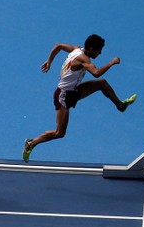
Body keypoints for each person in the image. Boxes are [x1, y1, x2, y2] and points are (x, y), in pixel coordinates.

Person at [22, 35, 136, 163]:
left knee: (102, 83)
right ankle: (31, 143)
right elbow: (96, 73)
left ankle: (121, 106)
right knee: (59, 133)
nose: (100, 53)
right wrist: (112, 62)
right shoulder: (83, 58)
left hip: (74, 91)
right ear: (91, 49)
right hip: (63, 96)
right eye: (99, 50)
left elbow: (58, 45)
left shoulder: (76, 49)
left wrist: (49, 61)